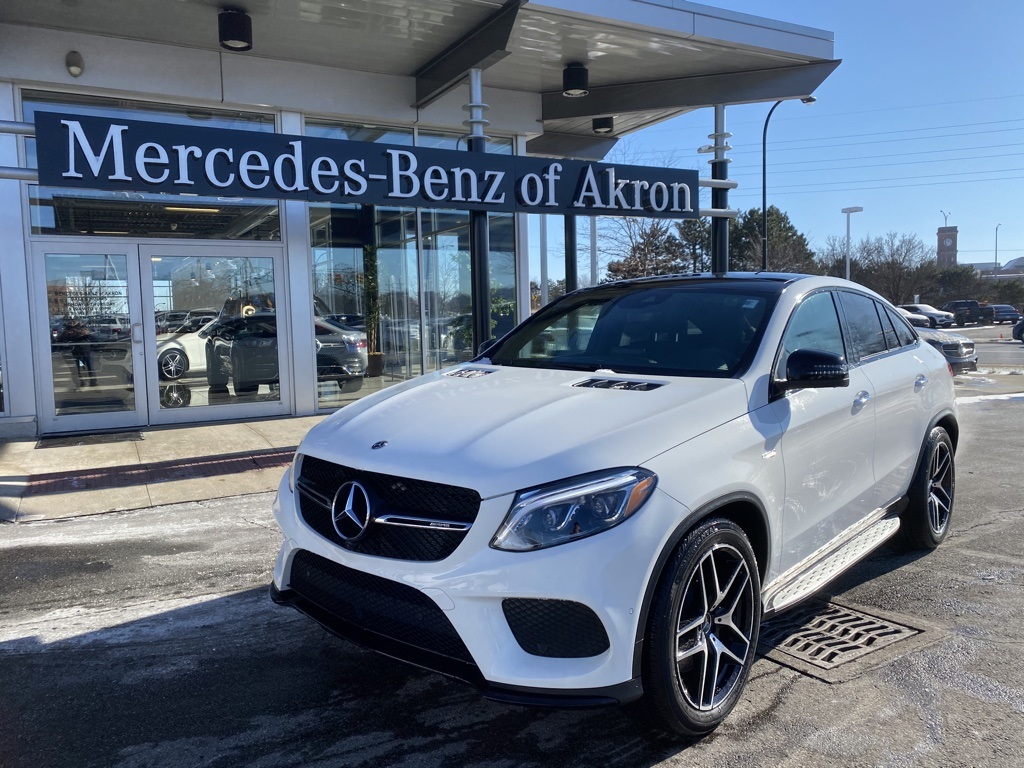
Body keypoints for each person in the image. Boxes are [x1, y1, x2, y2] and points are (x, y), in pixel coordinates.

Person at [57, 319, 96, 387]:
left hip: (86, 350)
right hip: (77, 352)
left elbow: (87, 333)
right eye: (71, 321)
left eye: (74, 321)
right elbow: (61, 338)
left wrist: (78, 332)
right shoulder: (67, 330)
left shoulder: (82, 327)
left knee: (90, 366)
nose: (72, 322)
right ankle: (82, 382)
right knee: (80, 367)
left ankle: (93, 382)